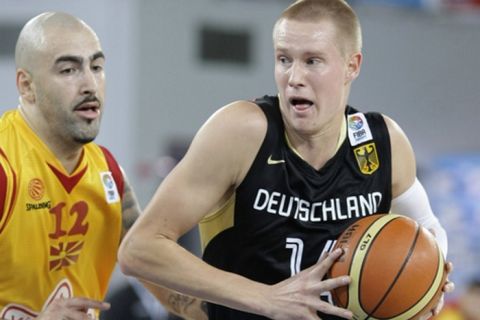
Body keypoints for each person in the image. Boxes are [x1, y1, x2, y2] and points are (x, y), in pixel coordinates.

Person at [118, 0, 453, 319]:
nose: (294, 77)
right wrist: (267, 298)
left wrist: (430, 282)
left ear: (352, 65)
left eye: (312, 61)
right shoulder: (242, 131)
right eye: (284, 59)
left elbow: (430, 230)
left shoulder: (383, 142)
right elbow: (140, 249)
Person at [0, 12, 206, 320]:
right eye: (69, 70)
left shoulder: (108, 173)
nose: (89, 84)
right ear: (27, 86)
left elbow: (166, 283)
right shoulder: (6, 169)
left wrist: (255, 305)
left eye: (97, 67)